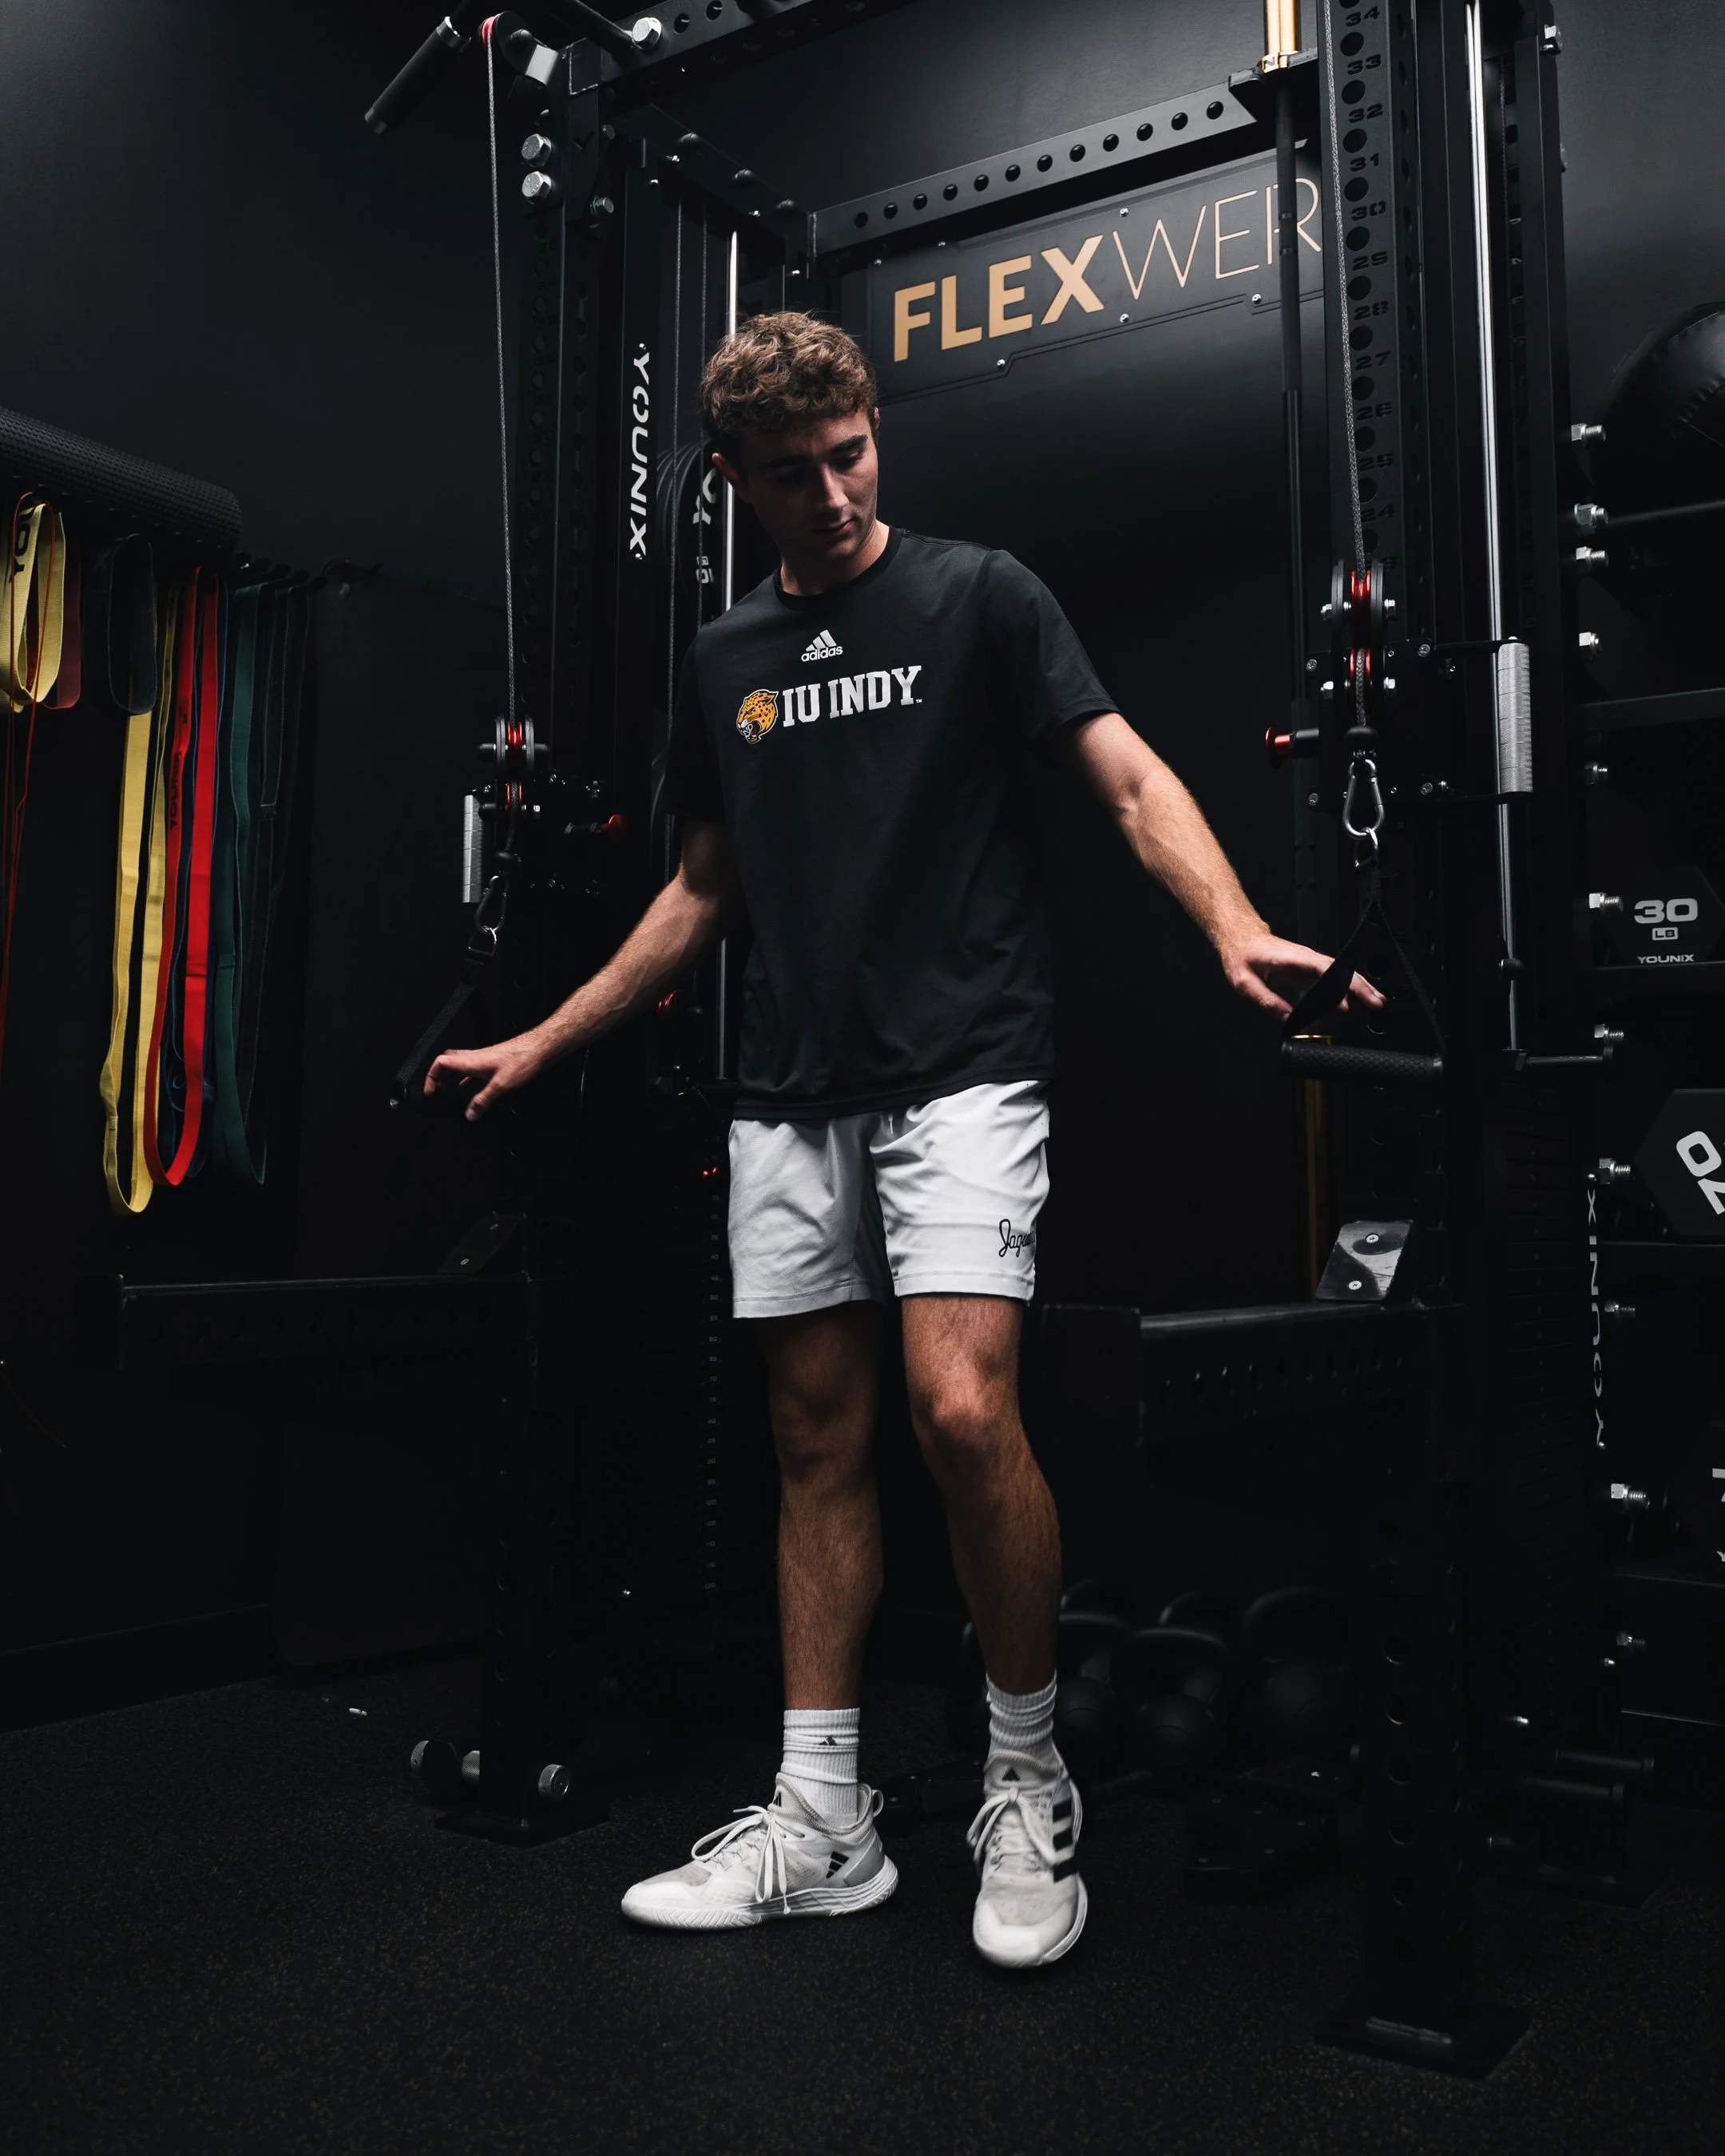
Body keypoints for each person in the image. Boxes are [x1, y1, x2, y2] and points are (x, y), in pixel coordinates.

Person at [426, 312, 1380, 1970]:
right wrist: (547, 1038)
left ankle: (1025, 1776)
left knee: (957, 1403)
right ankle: (824, 1821)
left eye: (854, 453)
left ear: (879, 431)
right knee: (811, 1443)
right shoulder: (722, 658)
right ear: (734, 481)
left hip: (964, 1065)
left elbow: (1129, 779)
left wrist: (1229, 923)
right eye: (794, 475)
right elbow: (699, 896)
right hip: (793, 1087)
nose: (837, 494)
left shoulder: (979, 595)